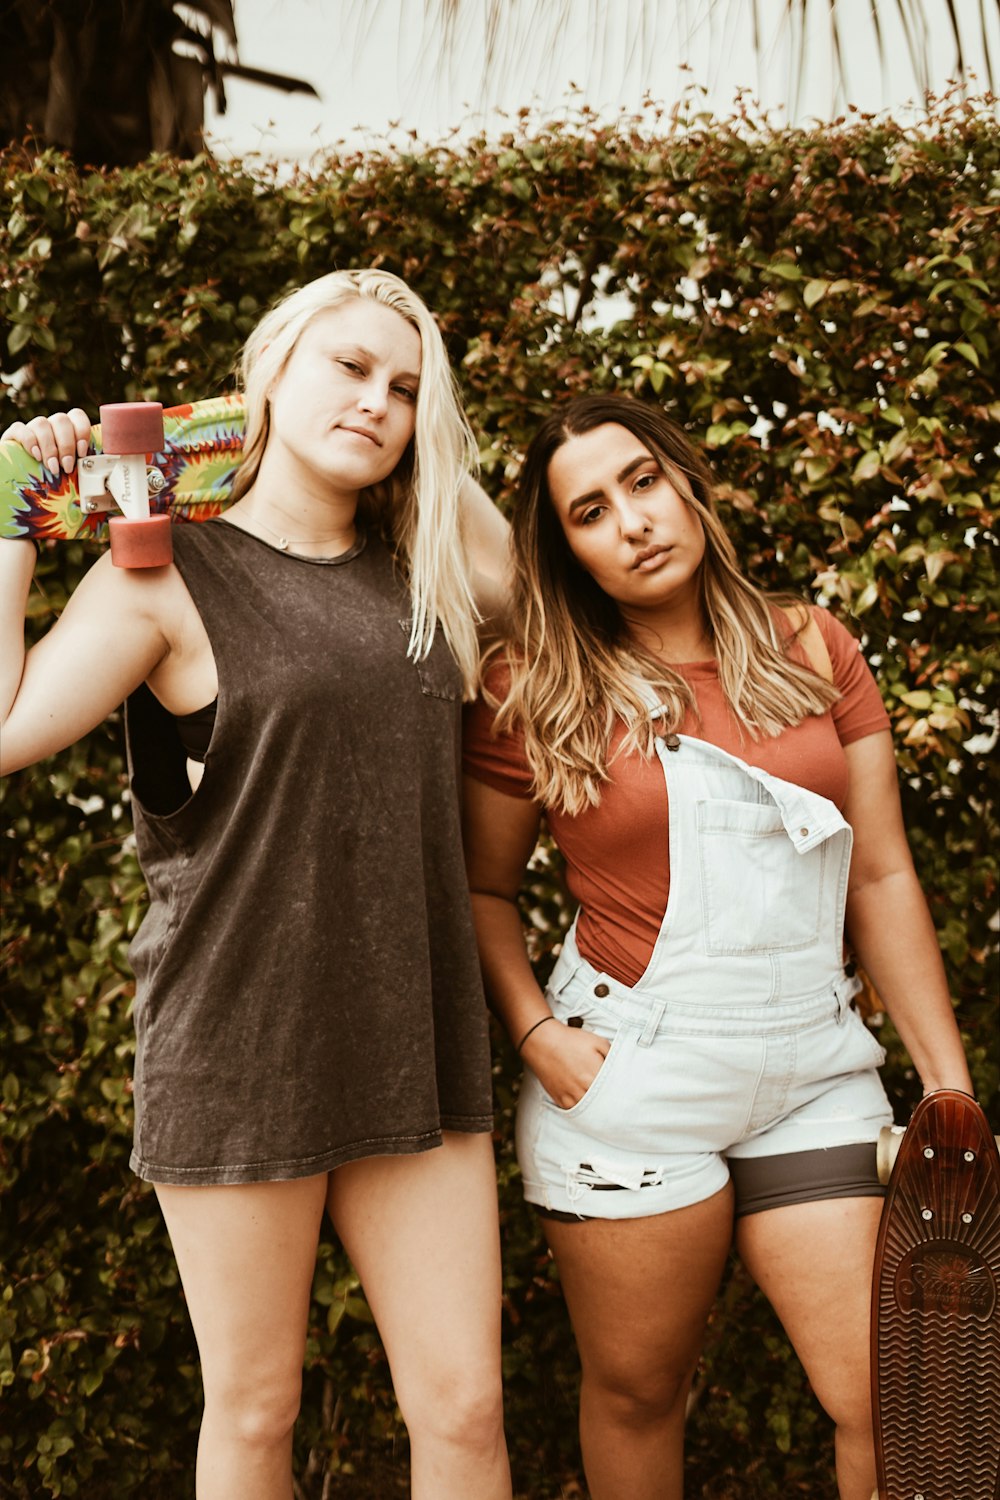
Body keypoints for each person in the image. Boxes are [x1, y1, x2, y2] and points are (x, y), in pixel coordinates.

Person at [1, 269, 513, 1500]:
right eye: (346, 366)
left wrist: (426, 430)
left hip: (416, 1034)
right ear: (268, 371)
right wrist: (16, 512)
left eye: (403, 389)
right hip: (240, 1044)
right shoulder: (163, 570)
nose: (376, 401)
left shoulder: (432, 574)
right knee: (254, 1410)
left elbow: (523, 577)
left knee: (465, 1405)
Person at [461, 392, 975, 1500]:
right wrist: (537, 1035)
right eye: (590, 511)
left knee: (889, 1400)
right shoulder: (534, 687)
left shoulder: (809, 644)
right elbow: (478, 888)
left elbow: (881, 873)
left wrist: (945, 1085)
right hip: (631, 1077)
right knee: (640, 1395)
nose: (632, 521)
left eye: (643, 482)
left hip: (813, 1070)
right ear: (569, 553)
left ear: (688, 483)